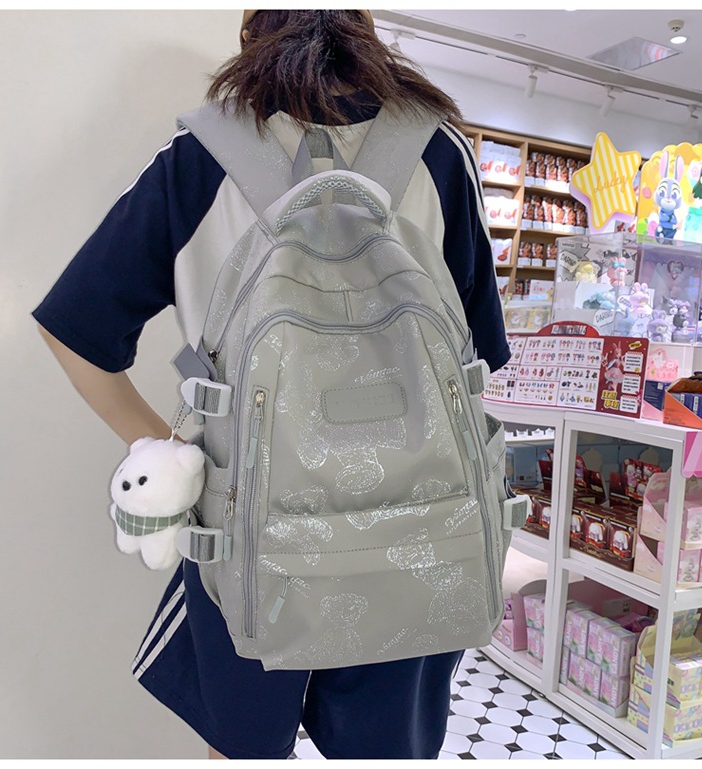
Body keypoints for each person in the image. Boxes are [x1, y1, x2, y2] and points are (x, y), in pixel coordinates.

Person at [33, 9, 510, 760]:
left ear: (251, 30)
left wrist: (165, 451)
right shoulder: (440, 149)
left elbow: (73, 325)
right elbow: (480, 356)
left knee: (243, 747)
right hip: (417, 527)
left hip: (242, 529)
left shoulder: (201, 155)